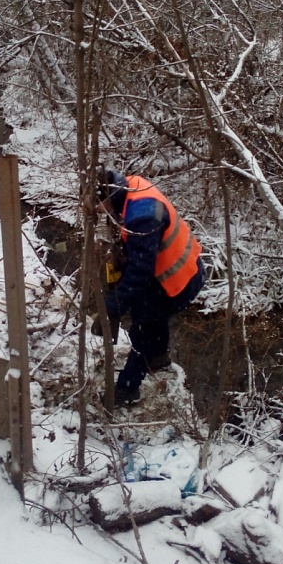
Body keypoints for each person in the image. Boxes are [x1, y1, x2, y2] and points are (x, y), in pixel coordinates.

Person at [91, 169, 206, 404]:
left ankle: (126, 390)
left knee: (143, 329)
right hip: (183, 267)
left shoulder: (142, 217)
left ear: (104, 198)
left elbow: (139, 275)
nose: (95, 212)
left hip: (178, 279)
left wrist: (111, 309)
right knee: (152, 313)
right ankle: (159, 356)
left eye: (95, 206)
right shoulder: (130, 185)